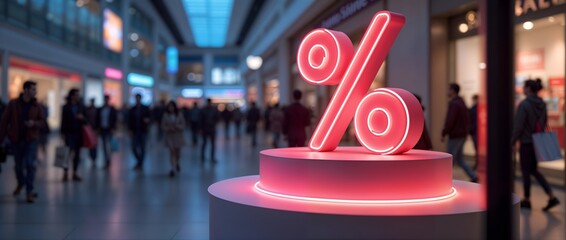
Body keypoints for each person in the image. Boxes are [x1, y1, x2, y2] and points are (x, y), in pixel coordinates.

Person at [512, 79, 560, 211]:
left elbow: (518, 126)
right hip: (537, 141)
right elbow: (544, 123)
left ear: (528, 89)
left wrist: (512, 141)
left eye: (524, 87)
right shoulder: (542, 104)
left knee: (526, 171)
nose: (522, 89)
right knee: (533, 170)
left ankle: (527, 200)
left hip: (527, 143)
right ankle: (551, 196)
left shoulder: (524, 105)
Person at [0, 81, 46, 203]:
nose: (35, 92)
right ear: (25, 90)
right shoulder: (13, 104)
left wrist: (34, 123)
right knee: (18, 166)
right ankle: (21, 183)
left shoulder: (37, 106)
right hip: (16, 140)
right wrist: (1, 139)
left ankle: (29, 191)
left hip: (31, 140)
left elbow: (43, 122)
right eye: (33, 89)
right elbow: (4, 122)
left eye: (35, 89)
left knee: (30, 165)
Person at [442, 83, 477, 182]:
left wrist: (444, 132)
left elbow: (450, 120)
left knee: (449, 158)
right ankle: (473, 176)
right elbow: (467, 119)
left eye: (449, 89)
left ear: (453, 91)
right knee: (459, 158)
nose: (447, 91)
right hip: (461, 134)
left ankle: (445, 180)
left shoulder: (454, 103)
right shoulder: (461, 102)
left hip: (455, 135)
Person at [61, 88, 86, 182]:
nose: (78, 97)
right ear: (72, 96)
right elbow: (63, 121)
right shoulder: (66, 107)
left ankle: (75, 172)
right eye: (76, 95)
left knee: (77, 154)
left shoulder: (81, 107)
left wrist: (82, 118)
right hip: (69, 133)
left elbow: (86, 120)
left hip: (78, 133)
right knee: (67, 153)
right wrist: (62, 133)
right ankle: (65, 173)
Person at [162, 101, 186, 177]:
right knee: (172, 151)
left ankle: (177, 162)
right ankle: (173, 168)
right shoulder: (165, 115)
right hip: (170, 136)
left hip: (178, 136)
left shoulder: (179, 115)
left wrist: (177, 127)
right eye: (169, 107)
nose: (171, 108)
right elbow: (162, 125)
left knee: (177, 152)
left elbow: (183, 124)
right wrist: (168, 128)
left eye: (172, 107)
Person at [128, 94, 151, 171]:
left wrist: (147, 120)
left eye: (138, 98)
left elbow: (150, 117)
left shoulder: (145, 108)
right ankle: (139, 161)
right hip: (135, 131)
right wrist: (130, 130)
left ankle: (140, 162)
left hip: (143, 130)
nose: (137, 100)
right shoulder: (132, 109)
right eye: (136, 98)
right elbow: (129, 120)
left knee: (142, 147)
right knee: (134, 147)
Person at [96, 95, 118, 169]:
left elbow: (115, 119)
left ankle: (109, 158)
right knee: (105, 145)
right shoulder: (100, 109)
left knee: (109, 145)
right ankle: (107, 160)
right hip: (103, 129)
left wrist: (113, 128)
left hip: (109, 129)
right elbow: (98, 119)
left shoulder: (112, 109)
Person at [200, 98, 219, 163]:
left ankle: (211, 157)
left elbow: (217, 118)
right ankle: (204, 156)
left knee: (210, 143)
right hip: (207, 128)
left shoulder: (209, 110)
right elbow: (201, 120)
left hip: (210, 128)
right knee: (206, 143)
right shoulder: (207, 110)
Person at [85, 98, 98, 166]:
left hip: (94, 129)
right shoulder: (88, 110)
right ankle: (92, 157)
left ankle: (94, 157)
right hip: (89, 129)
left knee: (94, 145)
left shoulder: (96, 110)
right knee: (90, 144)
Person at [469, 94, 479, 169]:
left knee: (477, 149)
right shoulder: (474, 109)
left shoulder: (474, 109)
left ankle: (478, 163)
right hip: (475, 131)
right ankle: (477, 163)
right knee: (477, 149)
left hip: (475, 131)